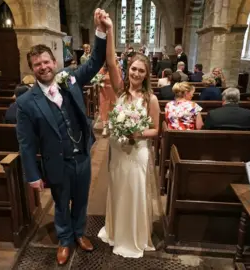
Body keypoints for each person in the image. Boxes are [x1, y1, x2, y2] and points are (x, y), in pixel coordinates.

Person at [15, 8, 110, 265]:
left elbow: (95, 62)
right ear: (32, 69)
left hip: (82, 157)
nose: (43, 67)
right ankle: (64, 240)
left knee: (81, 200)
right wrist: (32, 175)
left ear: (54, 62)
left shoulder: (70, 80)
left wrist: (100, 31)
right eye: (37, 64)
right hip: (57, 162)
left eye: (47, 62)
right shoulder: (26, 102)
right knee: (60, 203)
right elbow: (25, 142)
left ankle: (79, 233)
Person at [97, 14, 161, 258]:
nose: (136, 73)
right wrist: (110, 30)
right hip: (118, 152)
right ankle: (116, 231)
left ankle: (133, 236)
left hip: (137, 152)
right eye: (133, 68)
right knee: (118, 190)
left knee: (134, 193)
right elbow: (112, 62)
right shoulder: (121, 91)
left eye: (141, 71)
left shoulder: (150, 99)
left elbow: (155, 129)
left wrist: (137, 133)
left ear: (146, 74)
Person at [97, 61, 122, 137]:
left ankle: (112, 126)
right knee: (104, 108)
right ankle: (105, 127)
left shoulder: (116, 69)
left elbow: (119, 80)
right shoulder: (102, 69)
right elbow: (97, 79)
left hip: (112, 91)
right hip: (104, 91)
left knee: (112, 107)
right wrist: (100, 83)